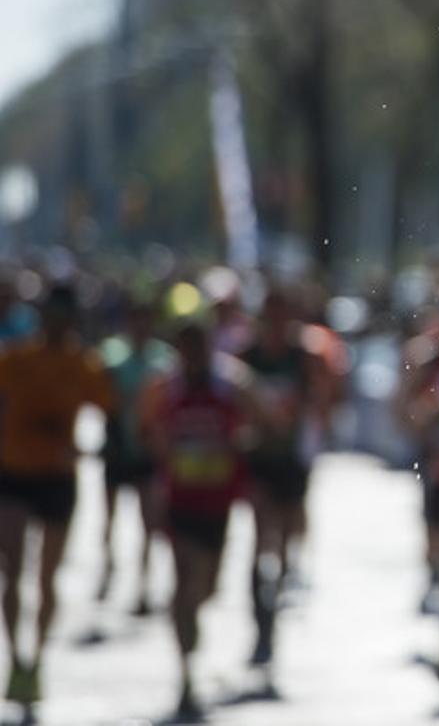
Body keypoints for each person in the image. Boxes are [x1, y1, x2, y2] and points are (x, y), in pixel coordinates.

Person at [0, 284, 113, 707]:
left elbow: (112, 417)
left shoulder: (84, 364)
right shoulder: (14, 360)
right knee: (11, 571)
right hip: (12, 474)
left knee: (48, 578)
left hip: (57, 479)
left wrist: (99, 450)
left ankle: (37, 659)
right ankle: (16, 657)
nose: (57, 325)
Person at [141, 320, 257, 720]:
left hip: (219, 502)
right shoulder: (165, 387)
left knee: (207, 588)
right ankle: (185, 674)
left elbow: (262, 422)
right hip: (180, 500)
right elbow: (150, 432)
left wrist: (237, 444)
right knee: (184, 583)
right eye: (186, 347)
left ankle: (190, 626)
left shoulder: (231, 382)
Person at [239, 287, 324, 668]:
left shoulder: (303, 356)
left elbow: (320, 402)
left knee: (287, 535)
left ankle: (284, 582)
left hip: (292, 460)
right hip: (259, 460)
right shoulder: (248, 356)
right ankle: (261, 621)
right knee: (261, 539)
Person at [96, 299, 177, 613]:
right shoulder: (111, 355)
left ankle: (143, 583)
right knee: (109, 516)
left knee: (149, 521)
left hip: (147, 454)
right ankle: (107, 567)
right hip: (116, 448)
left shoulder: (164, 360)